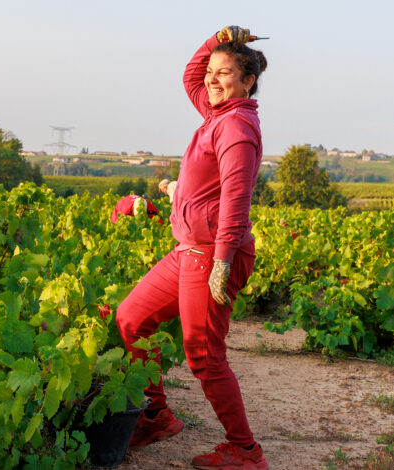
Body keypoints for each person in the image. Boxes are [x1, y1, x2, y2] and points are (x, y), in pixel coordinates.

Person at [115, 26, 269, 470]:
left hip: (213, 252)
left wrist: (222, 260)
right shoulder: (215, 114)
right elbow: (191, 76)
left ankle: (245, 450)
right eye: (213, 72)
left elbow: (237, 198)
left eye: (226, 73)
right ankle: (157, 415)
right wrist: (216, 39)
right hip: (189, 248)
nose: (213, 79)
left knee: (203, 352)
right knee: (131, 319)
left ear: (248, 81)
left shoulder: (236, 125)